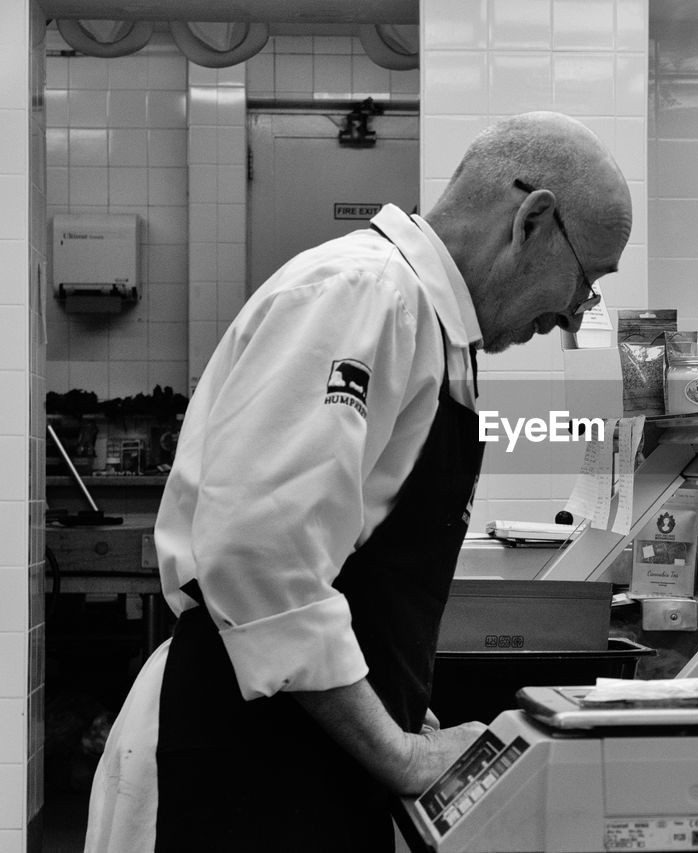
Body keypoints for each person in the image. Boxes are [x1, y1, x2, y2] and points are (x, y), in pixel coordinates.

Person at [83, 111, 633, 853]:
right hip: (232, 759)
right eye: (586, 282)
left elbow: (344, 556)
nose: (572, 315)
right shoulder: (363, 295)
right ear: (532, 221)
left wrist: (401, 713)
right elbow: (260, 554)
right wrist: (399, 751)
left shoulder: (430, 325)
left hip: (298, 752)